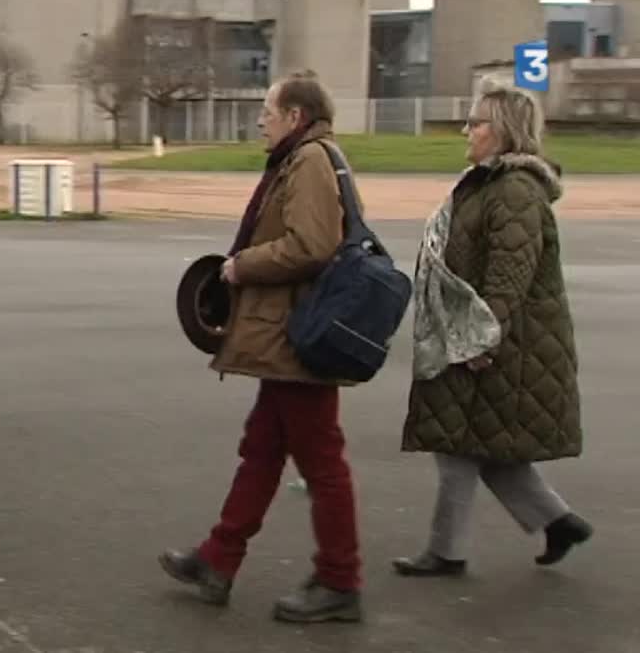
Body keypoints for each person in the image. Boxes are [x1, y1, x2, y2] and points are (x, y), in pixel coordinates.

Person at [158, 71, 363, 624]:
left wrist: (240, 265)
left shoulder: (313, 161)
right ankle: (218, 559)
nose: (260, 121)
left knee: (321, 461)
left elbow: (313, 245)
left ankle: (341, 580)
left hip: (301, 336)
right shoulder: (302, 159)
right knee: (263, 449)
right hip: (287, 335)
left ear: (295, 117)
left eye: (268, 112)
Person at [393, 77, 591, 577]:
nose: (467, 129)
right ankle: (556, 521)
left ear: (502, 131)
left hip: (503, 341)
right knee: (481, 443)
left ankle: (447, 551)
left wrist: (482, 337)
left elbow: (509, 274)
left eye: (476, 121)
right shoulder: (490, 184)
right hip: (482, 333)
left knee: (463, 444)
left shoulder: (516, 191)